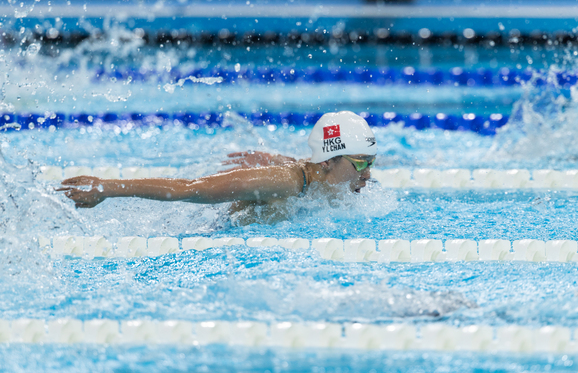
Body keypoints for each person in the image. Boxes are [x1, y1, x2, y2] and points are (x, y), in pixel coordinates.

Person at [56, 111, 377, 212]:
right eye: (360, 164)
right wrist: (106, 187)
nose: (367, 175)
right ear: (327, 162)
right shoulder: (285, 181)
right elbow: (190, 189)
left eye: (370, 163)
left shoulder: (317, 174)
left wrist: (275, 158)